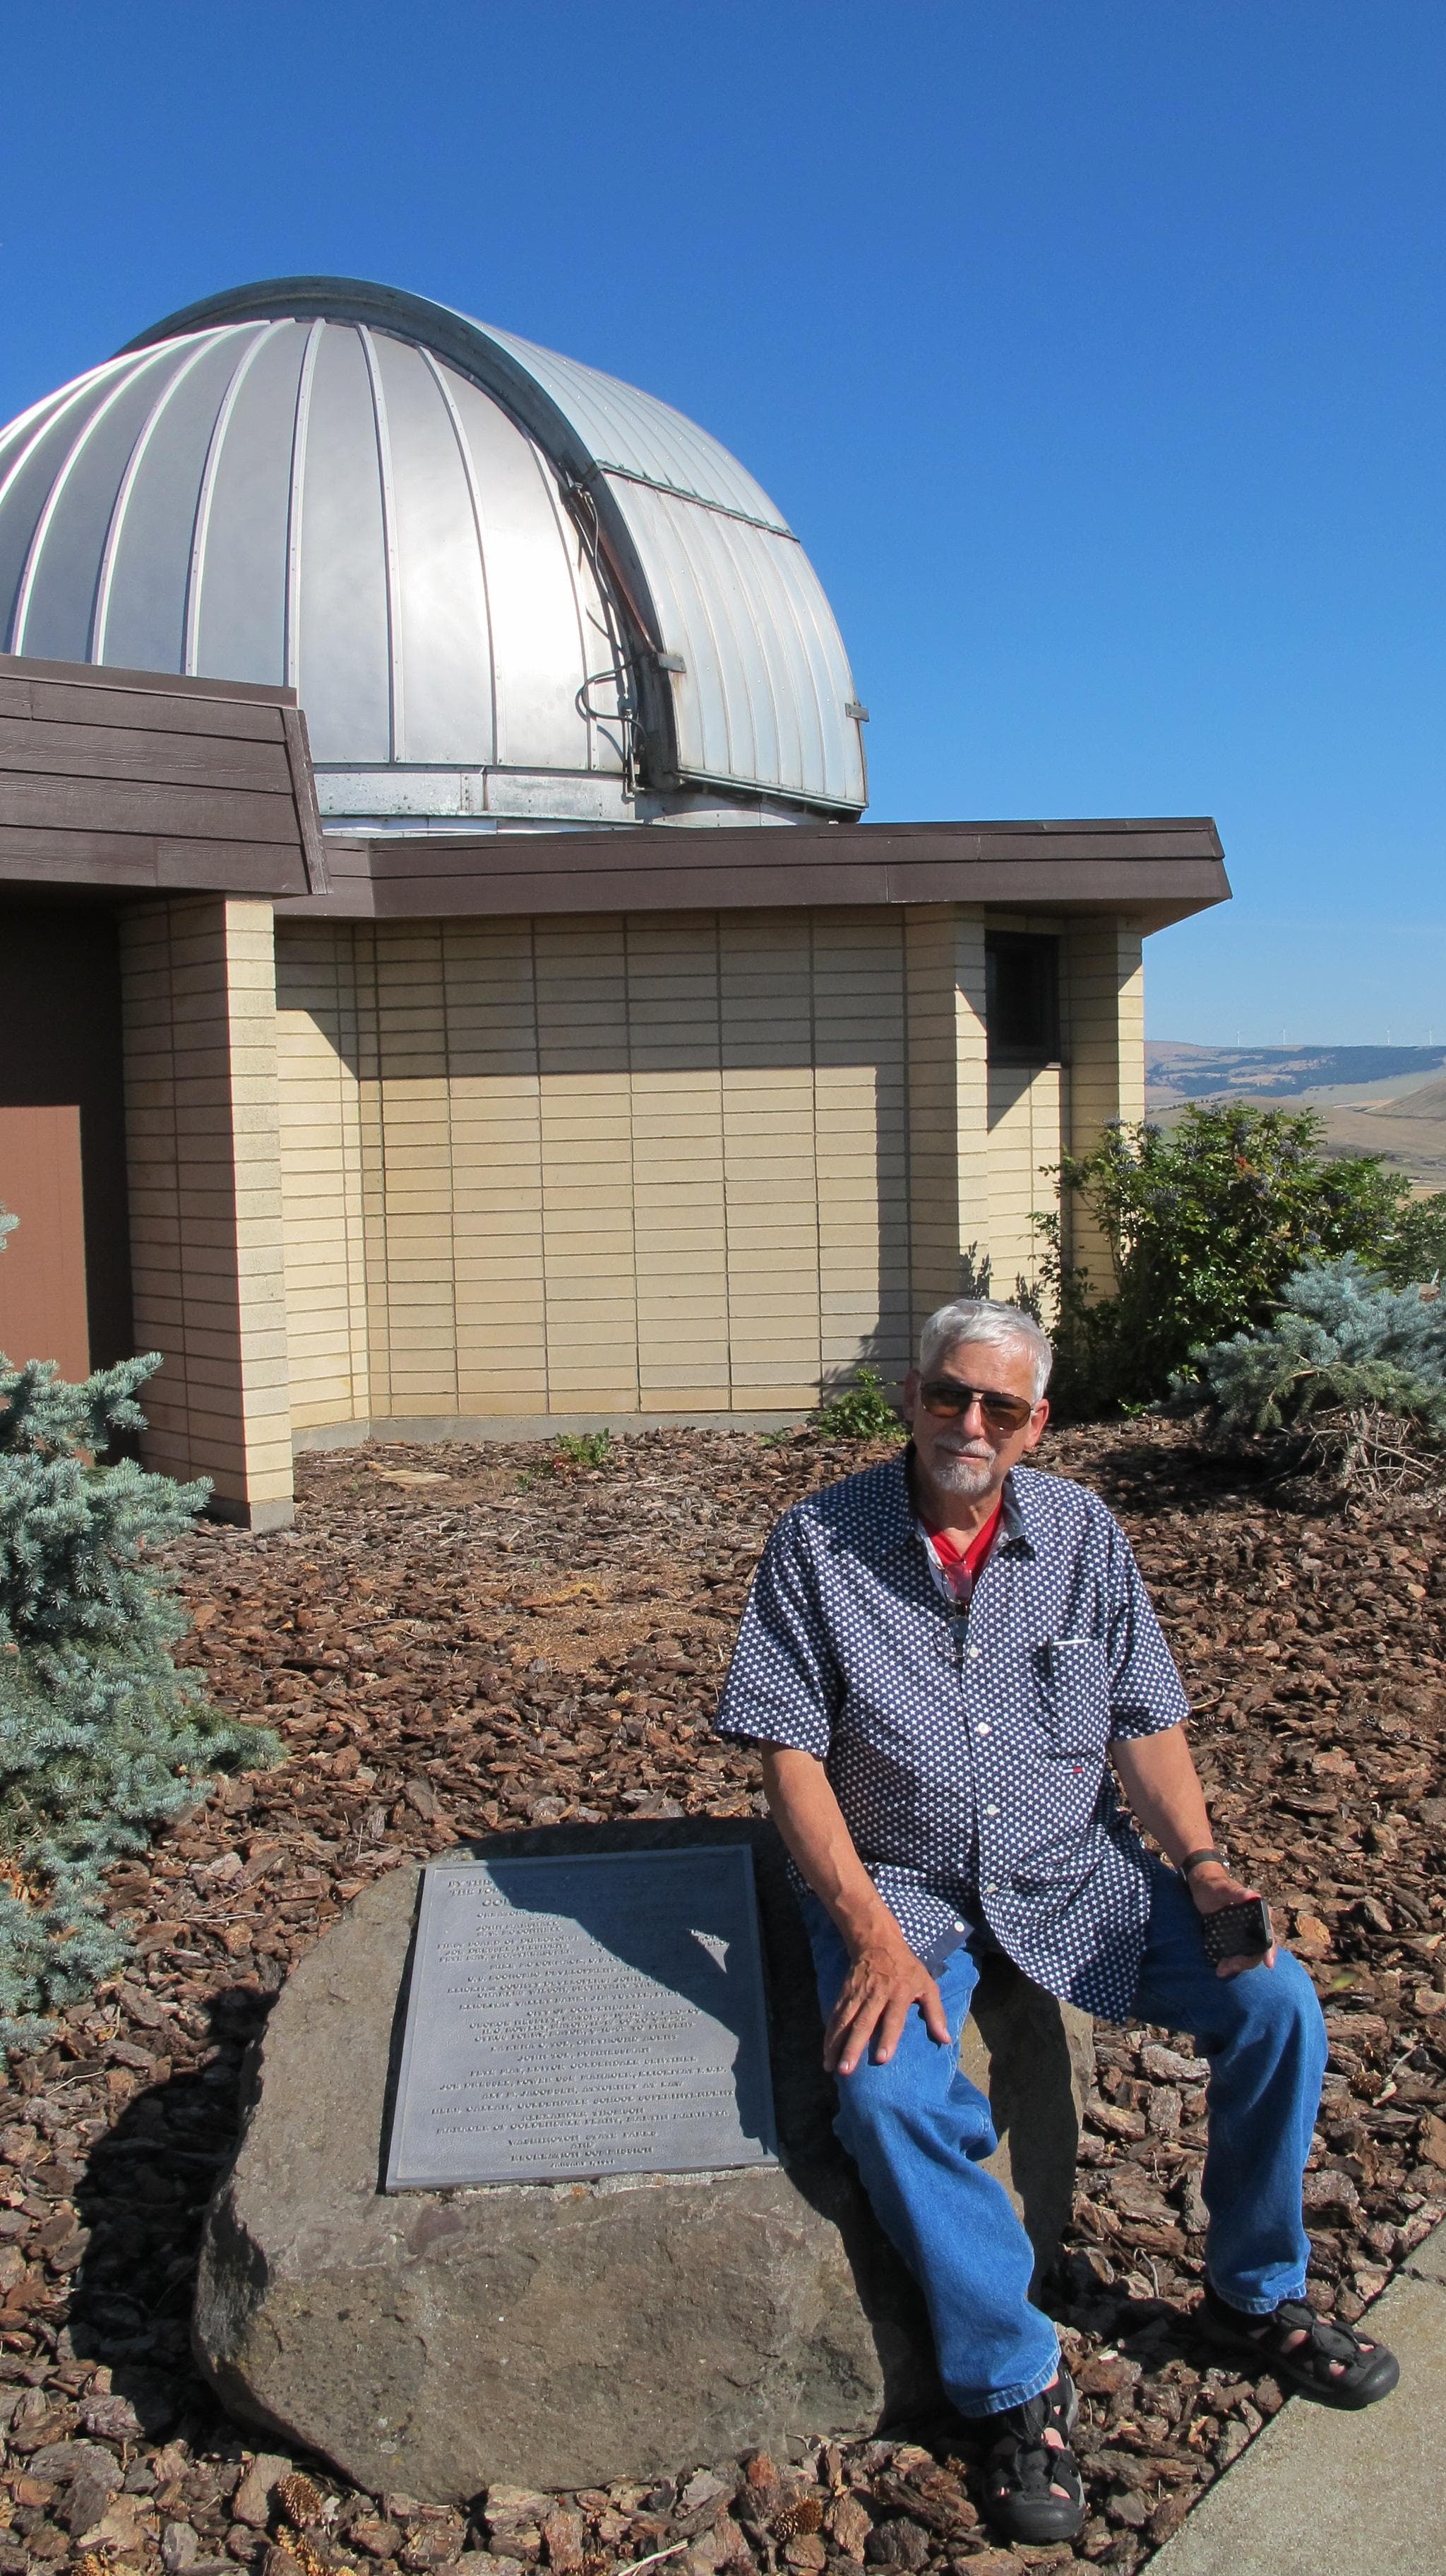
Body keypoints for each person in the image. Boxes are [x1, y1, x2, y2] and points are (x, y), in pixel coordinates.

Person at [715, 1298, 1398, 2546]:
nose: (968, 1424)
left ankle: (1255, 2293)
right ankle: (1013, 2380)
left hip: (1073, 1872)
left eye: (1001, 1407)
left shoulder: (1082, 1532)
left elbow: (1143, 1721)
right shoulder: (817, 1543)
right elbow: (790, 1755)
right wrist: (867, 1933)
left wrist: (1201, 1866)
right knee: (888, 2097)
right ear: (910, 1395)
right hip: (903, 1887)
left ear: (1039, 1426)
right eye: (947, 1395)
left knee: (1274, 2003)